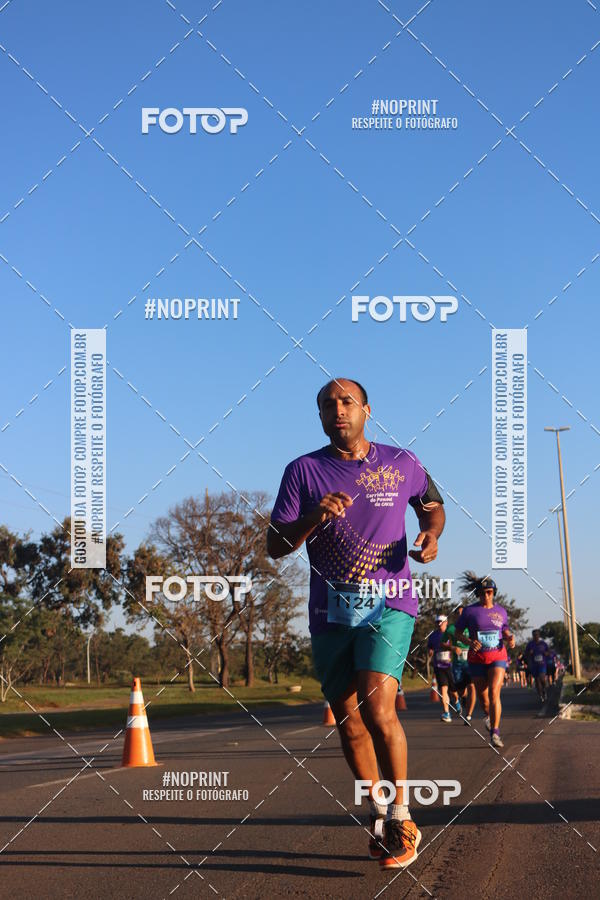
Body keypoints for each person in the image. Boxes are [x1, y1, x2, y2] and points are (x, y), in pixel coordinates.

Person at [267, 378, 445, 869]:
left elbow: (431, 506)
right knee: (348, 720)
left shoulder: (401, 463)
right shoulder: (302, 472)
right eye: (328, 405)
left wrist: (429, 535)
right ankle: (380, 812)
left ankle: (404, 817)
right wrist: (310, 519)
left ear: (367, 410)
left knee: (378, 707)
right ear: (320, 417)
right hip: (330, 610)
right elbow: (275, 546)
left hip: (391, 601)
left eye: (347, 402)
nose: (338, 410)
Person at [454, 577, 515, 749]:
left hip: (498, 656)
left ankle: (495, 732)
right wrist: (469, 641)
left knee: (494, 692)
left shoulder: (501, 611)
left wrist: (510, 637)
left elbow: (505, 629)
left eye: (489, 593)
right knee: (483, 698)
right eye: (482, 593)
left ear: (494, 593)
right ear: (478, 594)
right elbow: (457, 634)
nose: (485, 596)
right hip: (476, 659)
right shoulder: (469, 611)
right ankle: (489, 716)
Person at [446, 605, 476, 723]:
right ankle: (463, 699)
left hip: (471, 663)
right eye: (458, 613)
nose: (461, 615)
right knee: (461, 691)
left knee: (472, 686)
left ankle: (468, 715)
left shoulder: (473, 627)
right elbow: (442, 644)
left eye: (463, 613)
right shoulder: (451, 629)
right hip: (458, 665)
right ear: (455, 615)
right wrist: (453, 647)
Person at [427, 615, 455, 722]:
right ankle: (446, 712)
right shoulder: (433, 636)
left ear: (446, 622)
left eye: (441, 622)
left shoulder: (451, 634)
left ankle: (457, 701)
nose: (439, 624)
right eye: (437, 622)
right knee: (443, 689)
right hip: (439, 666)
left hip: (451, 666)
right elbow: (430, 647)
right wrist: (430, 651)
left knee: (454, 691)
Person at [525, 630, 549, 702]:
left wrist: (546, 653)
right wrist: (529, 653)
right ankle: (541, 695)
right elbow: (526, 654)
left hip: (542, 664)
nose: (536, 636)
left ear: (539, 635)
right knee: (537, 681)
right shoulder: (530, 644)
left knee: (542, 678)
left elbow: (548, 652)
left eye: (537, 634)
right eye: (534, 635)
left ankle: (544, 689)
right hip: (534, 665)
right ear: (532, 636)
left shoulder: (543, 644)